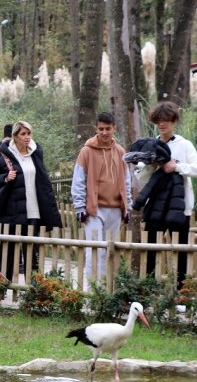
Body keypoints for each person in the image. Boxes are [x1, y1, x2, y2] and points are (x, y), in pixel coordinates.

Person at [134, 101, 197, 287]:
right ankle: (148, 291)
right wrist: (151, 166)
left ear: (173, 121)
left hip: (179, 207)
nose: (162, 124)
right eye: (158, 120)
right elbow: (140, 176)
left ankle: (181, 293)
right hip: (155, 205)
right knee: (151, 249)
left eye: (166, 120)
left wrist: (177, 166)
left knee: (181, 251)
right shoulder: (150, 145)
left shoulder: (185, 145)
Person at [0, 120, 62, 281]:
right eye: (23, 134)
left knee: (32, 254)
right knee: (8, 254)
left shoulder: (35, 153)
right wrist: (5, 177)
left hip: (33, 211)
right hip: (10, 212)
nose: (27, 137)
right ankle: (3, 287)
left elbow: (43, 181)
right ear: (15, 136)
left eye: (29, 133)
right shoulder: (3, 156)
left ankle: (33, 289)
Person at [71, 112, 132, 287]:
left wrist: (127, 206)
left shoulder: (120, 152)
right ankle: (92, 291)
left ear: (114, 128)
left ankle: (105, 290)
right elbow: (78, 180)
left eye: (108, 129)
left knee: (109, 250)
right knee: (94, 250)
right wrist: (80, 207)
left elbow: (126, 181)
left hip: (115, 209)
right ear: (96, 129)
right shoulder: (86, 151)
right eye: (101, 129)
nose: (105, 132)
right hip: (94, 210)